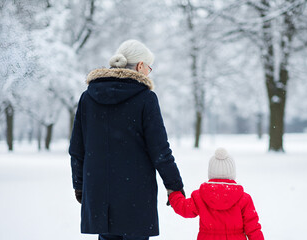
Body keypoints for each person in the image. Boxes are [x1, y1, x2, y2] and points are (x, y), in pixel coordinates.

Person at [69, 39, 184, 240]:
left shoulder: (88, 97)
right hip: (135, 197)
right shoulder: (146, 98)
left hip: (99, 195)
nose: (149, 72)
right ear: (140, 66)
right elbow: (160, 150)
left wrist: (79, 185)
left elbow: (77, 148)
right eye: (149, 67)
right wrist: (174, 185)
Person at [168, 148, 264, 240]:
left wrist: (174, 194)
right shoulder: (244, 198)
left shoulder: (200, 196)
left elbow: (183, 207)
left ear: (211, 173)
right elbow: (253, 228)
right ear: (232, 173)